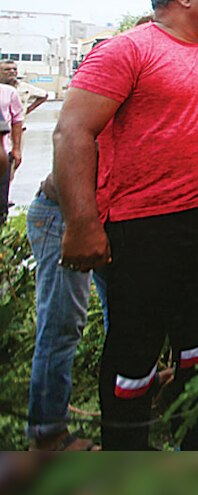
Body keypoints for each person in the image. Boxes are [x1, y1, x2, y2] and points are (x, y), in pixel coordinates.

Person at [55, 0, 198, 450]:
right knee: (135, 347)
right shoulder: (128, 50)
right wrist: (82, 225)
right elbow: (72, 132)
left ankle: (192, 443)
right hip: (138, 226)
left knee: (197, 342)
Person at [26, 172, 110, 451]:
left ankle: (123, 400)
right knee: (61, 325)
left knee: (123, 314)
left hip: (103, 216)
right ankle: (48, 434)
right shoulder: (87, 129)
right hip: (63, 216)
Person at [0, 77, 24, 225]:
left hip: (4, 152)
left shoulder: (8, 92)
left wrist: (16, 149)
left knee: (2, 197)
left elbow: (17, 121)